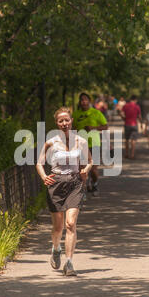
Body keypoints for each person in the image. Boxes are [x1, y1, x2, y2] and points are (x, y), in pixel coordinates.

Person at [36, 107, 93, 276]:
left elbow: (90, 161)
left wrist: (86, 170)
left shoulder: (81, 141)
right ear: (57, 124)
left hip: (75, 183)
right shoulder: (51, 142)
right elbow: (39, 163)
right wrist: (44, 176)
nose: (64, 123)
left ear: (71, 120)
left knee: (70, 223)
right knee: (58, 227)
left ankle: (69, 263)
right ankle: (55, 248)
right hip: (56, 184)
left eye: (67, 120)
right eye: (61, 121)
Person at [72, 92, 108, 196]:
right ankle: (83, 191)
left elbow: (105, 126)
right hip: (80, 145)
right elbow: (72, 128)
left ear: (89, 101)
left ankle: (95, 184)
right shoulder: (76, 114)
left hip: (94, 144)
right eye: (82, 100)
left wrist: (93, 128)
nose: (84, 102)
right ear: (80, 102)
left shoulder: (96, 113)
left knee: (93, 169)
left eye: (85, 99)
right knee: (82, 169)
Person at [119, 95, 142, 159]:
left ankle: (126, 154)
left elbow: (121, 113)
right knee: (133, 140)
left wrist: (123, 118)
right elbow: (139, 116)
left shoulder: (125, 106)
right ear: (135, 100)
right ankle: (132, 154)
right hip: (134, 124)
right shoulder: (137, 106)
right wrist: (141, 123)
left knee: (126, 140)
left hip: (127, 124)